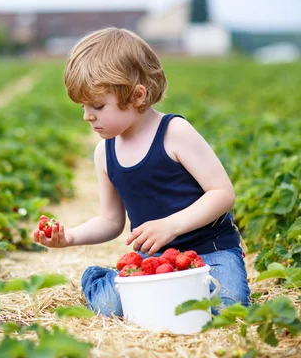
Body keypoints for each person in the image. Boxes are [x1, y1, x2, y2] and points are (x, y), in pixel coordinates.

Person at [32, 27, 250, 317]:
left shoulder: (175, 133)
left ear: (137, 95)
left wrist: (171, 226)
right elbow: (110, 220)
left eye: (97, 105)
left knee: (228, 306)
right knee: (110, 307)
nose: (87, 115)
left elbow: (222, 194)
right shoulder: (105, 152)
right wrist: (69, 238)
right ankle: (99, 279)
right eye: (83, 106)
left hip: (212, 252)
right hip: (154, 259)